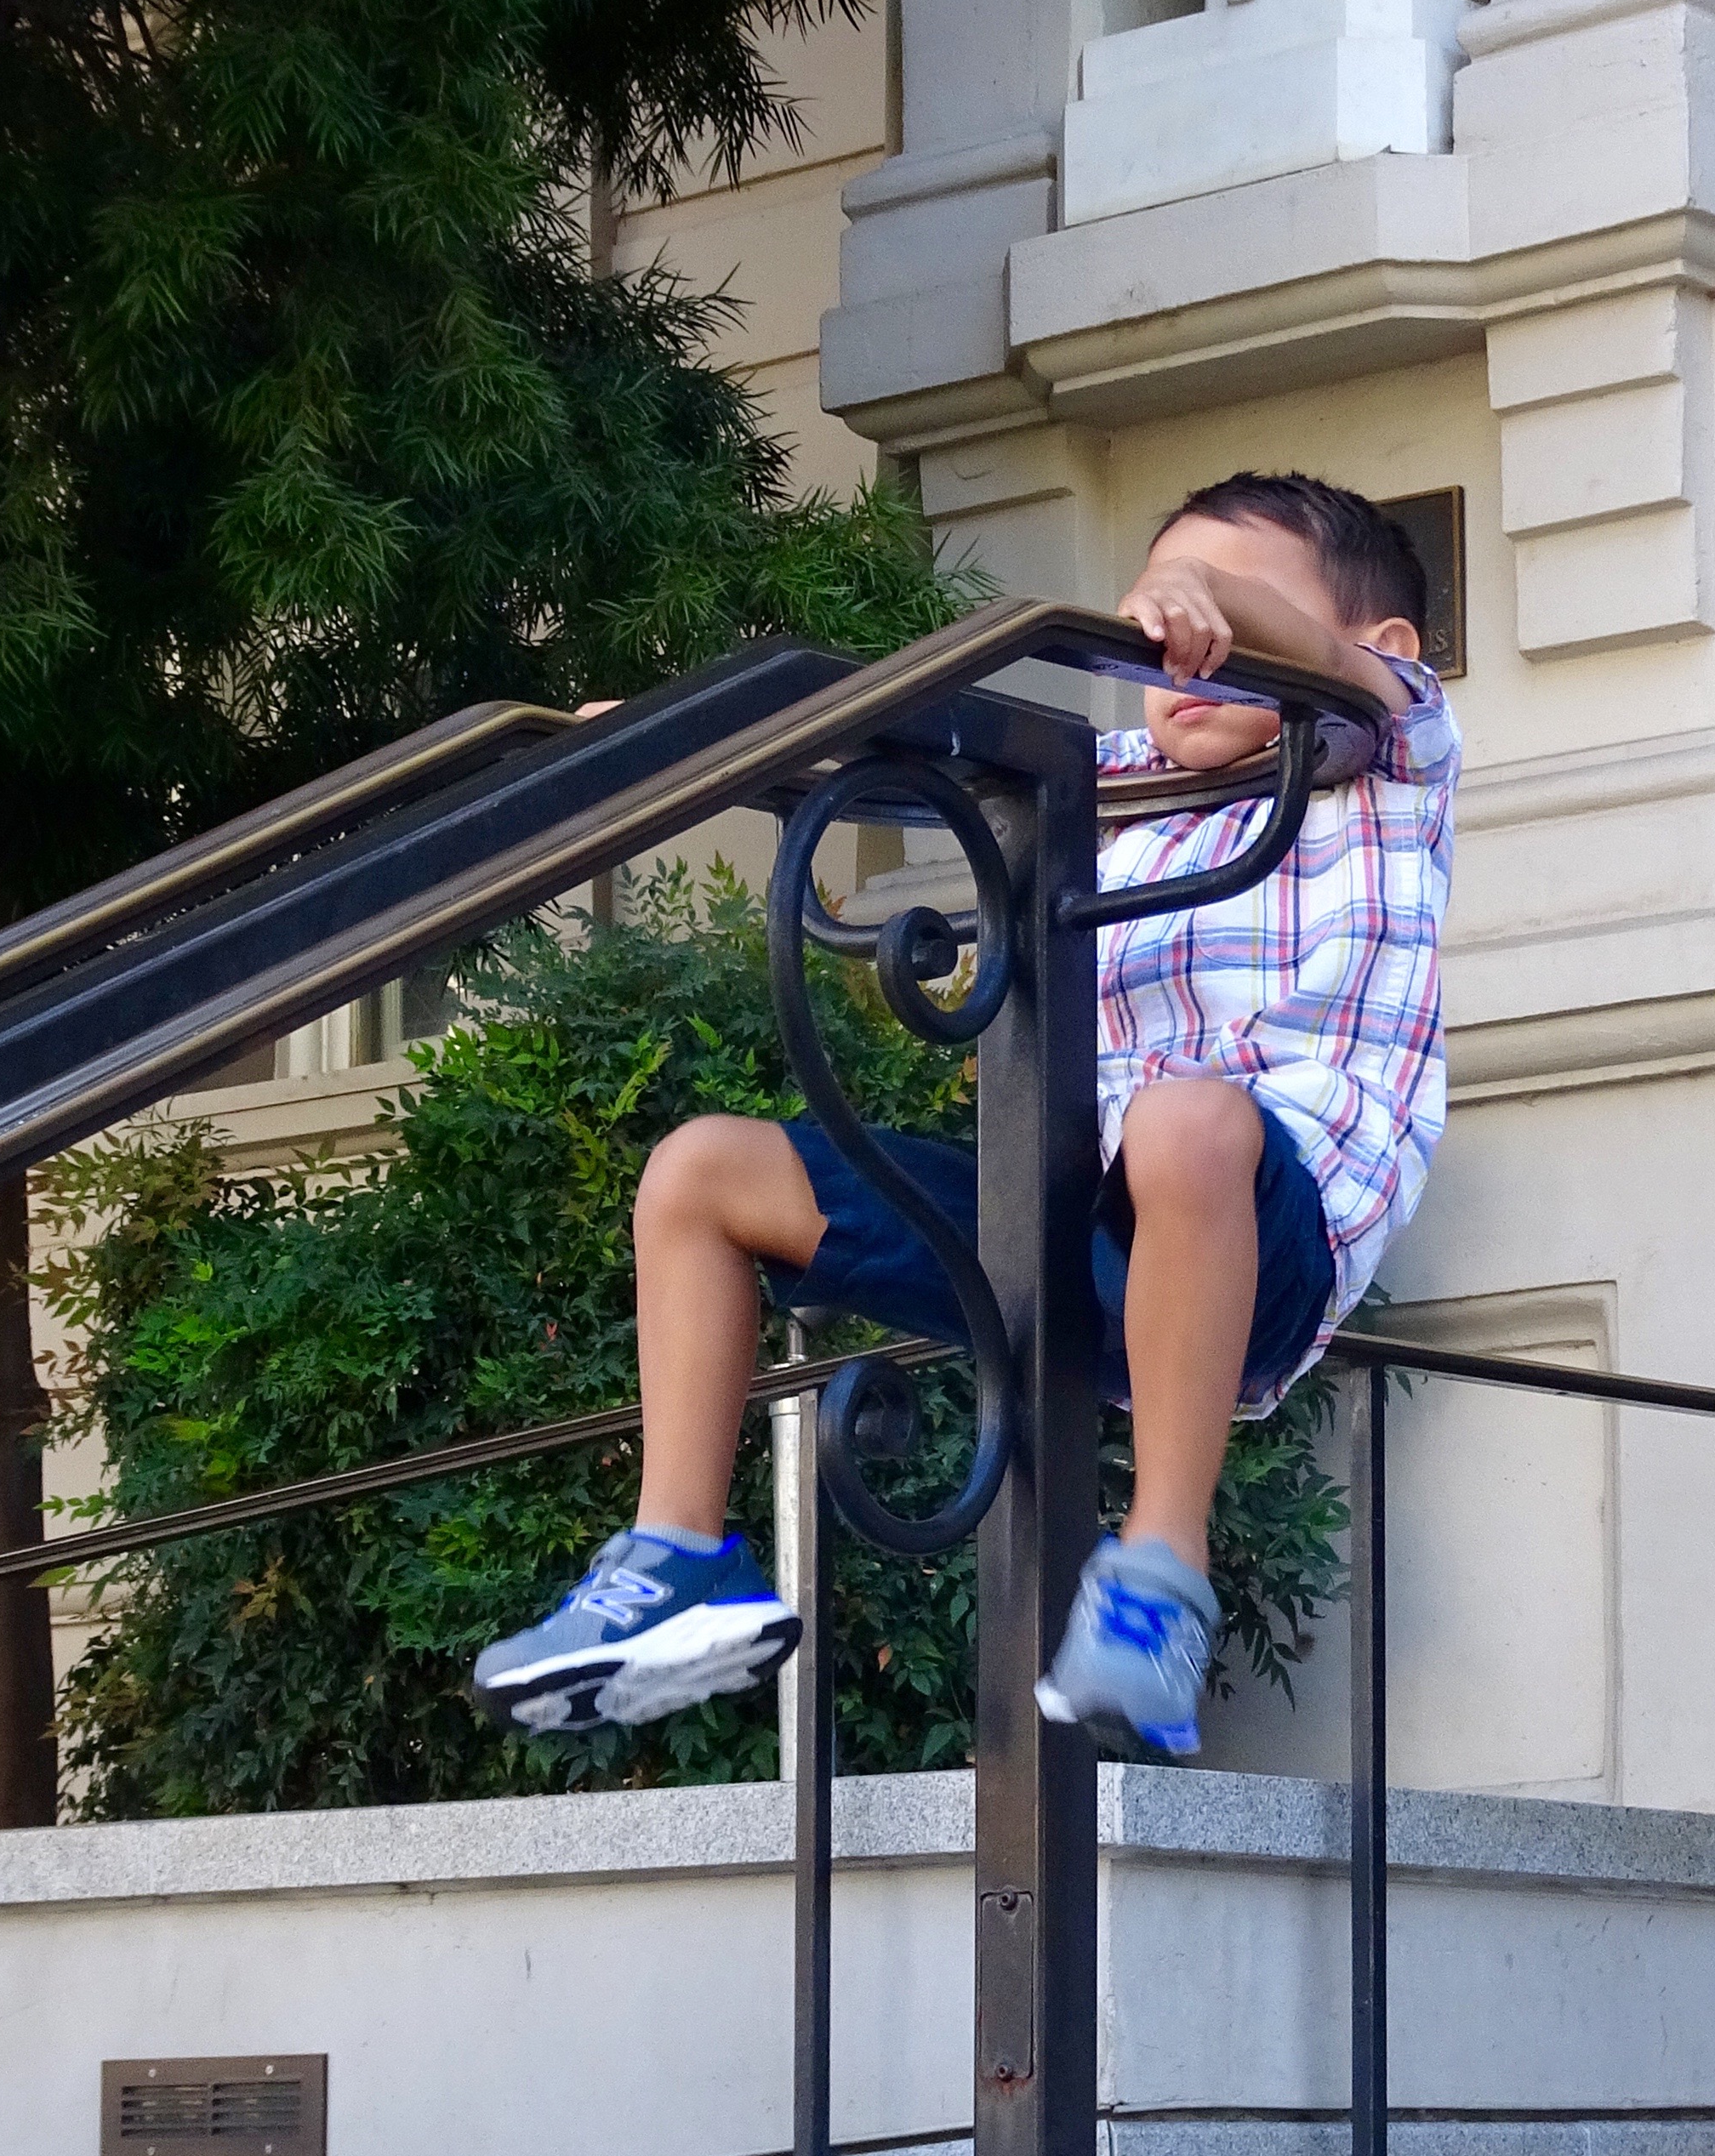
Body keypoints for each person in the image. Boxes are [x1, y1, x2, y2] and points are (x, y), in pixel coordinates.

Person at [472, 474, 1461, 1762]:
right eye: (1160, 635)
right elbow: (882, 761)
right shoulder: (1104, 785)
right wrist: (682, 737)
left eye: (1221, 619)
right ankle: (680, 1561)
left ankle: (1159, 1579)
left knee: (1183, 1125)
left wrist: (1206, 594)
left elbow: (1327, 670)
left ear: (1383, 645)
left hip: (1265, 1242)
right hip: (1077, 1228)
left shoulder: (1388, 756)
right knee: (700, 1174)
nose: (1178, 656)